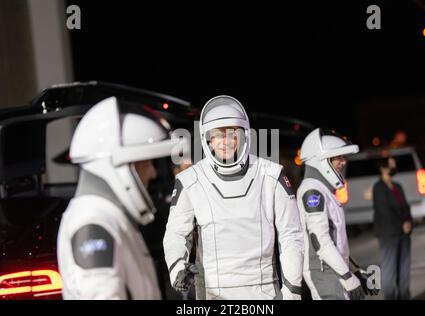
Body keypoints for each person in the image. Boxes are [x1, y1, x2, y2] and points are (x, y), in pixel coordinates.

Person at [163, 95, 304, 300]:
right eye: (218, 134)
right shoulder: (190, 180)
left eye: (232, 133)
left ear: (244, 135)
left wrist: (293, 290)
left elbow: (291, 235)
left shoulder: (271, 174)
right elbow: (176, 233)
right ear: (207, 138)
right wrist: (177, 267)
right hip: (214, 293)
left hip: (263, 291)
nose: (226, 141)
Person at [57, 97, 183, 299]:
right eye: (146, 163)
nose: (153, 173)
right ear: (120, 168)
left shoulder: (109, 217)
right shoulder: (93, 223)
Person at [298, 128, 378, 300]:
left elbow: (337, 241)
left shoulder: (324, 190)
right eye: (338, 158)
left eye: (344, 157)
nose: (343, 162)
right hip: (324, 272)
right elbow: (320, 241)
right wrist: (347, 276)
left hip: (335, 270)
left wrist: (355, 270)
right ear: (321, 161)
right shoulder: (312, 191)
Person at [373, 157, 412, 300]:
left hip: (404, 234)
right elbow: (385, 211)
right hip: (388, 234)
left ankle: (404, 296)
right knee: (390, 269)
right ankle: (390, 297)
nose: (394, 167)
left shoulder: (398, 186)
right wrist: (401, 224)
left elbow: (406, 207)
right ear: (383, 168)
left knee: (404, 268)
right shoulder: (378, 187)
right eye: (391, 165)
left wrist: (408, 221)